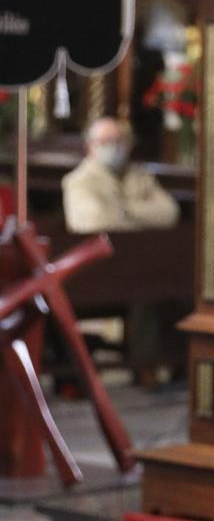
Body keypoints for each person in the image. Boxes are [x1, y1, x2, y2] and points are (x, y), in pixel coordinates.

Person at [63, 117, 181, 385]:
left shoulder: (140, 176)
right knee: (146, 291)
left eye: (118, 141)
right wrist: (139, 215)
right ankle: (145, 366)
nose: (113, 148)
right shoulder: (80, 181)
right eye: (105, 142)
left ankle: (178, 363)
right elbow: (92, 222)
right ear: (90, 147)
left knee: (174, 288)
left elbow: (168, 213)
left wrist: (125, 210)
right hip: (99, 271)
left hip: (140, 266)